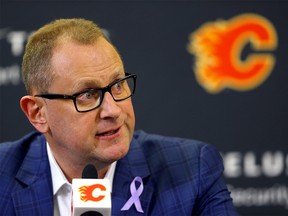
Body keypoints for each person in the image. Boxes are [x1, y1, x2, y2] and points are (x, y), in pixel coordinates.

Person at [0, 18, 238, 215]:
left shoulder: (192, 170)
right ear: (38, 113)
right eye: (87, 94)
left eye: (117, 86)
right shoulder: (4, 174)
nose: (113, 111)